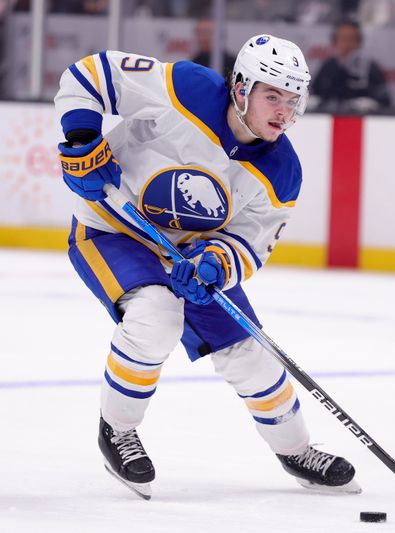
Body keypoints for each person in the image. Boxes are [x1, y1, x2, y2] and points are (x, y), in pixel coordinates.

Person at [54, 34, 358, 498]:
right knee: (156, 314)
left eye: (292, 100)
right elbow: (89, 74)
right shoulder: (186, 89)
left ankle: (295, 450)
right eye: (272, 95)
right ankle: (117, 429)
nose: (283, 111)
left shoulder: (282, 170)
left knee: (253, 354)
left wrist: (217, 263)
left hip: (190, 254)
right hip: (111, 230)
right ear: (241, 88)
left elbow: (250, 242)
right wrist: (81, 137)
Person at [311, 19, 392, 113]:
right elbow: (315, 94)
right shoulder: (327, 67)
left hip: (363, 120)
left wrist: (372, 104)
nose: (347, 44)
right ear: (334, 42)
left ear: (359, 42)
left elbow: (385, 101)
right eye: (343, 39)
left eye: (351, 39)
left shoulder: (371, 68)